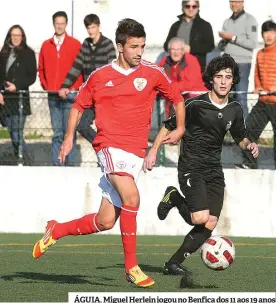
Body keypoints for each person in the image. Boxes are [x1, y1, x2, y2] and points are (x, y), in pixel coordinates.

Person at [32, 18, 185, 287]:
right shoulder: (100, 76)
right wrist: (69, 137)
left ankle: (57, 230)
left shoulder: (152, 72)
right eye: (134, 46)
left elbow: (178, 98)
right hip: (109, 146)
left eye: (143, 46)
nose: (139, 52)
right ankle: (131, 267)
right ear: (120, 47)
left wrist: (181, 127)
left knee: (104, 221)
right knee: (132, 197)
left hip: (135, 154)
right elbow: (78, 106)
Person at [143, 54, 259, 275]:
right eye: (219, 77)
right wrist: (154, 150)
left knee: (209, 223)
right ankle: (174, 197)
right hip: (191, 166)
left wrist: (249, 145)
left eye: (228, 77)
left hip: (214, 169)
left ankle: (173, 264)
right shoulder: (195, 104)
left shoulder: (234, 109)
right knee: (199, 218)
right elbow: (168, 126)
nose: (224, 81)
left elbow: (240, 137)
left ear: (233, 80)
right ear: (211, 80)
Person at [59, 14, 116, 143]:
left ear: (98, 27)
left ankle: (106, 155)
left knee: (106, 130)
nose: (90, 31)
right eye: (88, 28)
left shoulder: (107, 44)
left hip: (104, 97)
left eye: (93, 27)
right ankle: (101, 146)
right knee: (82, 126)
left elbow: (112, 71)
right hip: (89, 96)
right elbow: (76, 66)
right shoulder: (86, 44)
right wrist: (65, 85)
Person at [38, 11, 83, 166]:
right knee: (57, 133)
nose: (59, 26)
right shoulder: (45, 45)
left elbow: (79, 70)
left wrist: (73, 88)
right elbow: (41, 69)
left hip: (70, 95)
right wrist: (47, 86)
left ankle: (70, 166)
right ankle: (58, 165)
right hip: (53, 95)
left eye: (62, 23)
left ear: (66, 24)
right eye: (57, 23)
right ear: (53, 24)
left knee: (69, 133)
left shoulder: (75, 44)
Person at [236, 20, 276, 169]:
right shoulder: (259, 53)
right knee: (248, 131)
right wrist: (258, 87)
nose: (269, 35)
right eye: (266, 32)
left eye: (272, 32)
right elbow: (257, 75)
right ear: (262, 35)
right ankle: (249, 164)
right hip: (263, 101)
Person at [0, 25, 36, 165]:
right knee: (11, 131)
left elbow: (32, 76)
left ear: (22, 37)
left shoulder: (29, 53)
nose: (15, 38)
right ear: (9, 36)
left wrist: (17, 86)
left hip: (20, 99)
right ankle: (19, 159)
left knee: (17, 133)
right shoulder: (3, 52)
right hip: (5, 100)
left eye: (18, 35)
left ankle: (25, 160)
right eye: (13, 35)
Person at [218, 0, 258, 118]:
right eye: (232, 1)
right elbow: (224, 45)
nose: (234, 4)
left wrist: (233, 37)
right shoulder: (227, 22)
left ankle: (244, 133)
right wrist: (223, 41)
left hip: (242, 63)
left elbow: (252, 43)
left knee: (241, 97)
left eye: (237, 1)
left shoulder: (250, 20)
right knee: (228, 98)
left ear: (243, 2)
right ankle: (230, 131)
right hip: (226, 64)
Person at [159, 37, 207, 118]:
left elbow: (190, 84)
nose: (176, 52)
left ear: (183, 50)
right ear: (169, 50)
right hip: (172, 100)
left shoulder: (191, 60)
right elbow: (158, 80)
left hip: (193, 99)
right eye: (173, 49)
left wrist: (169, 88)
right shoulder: (164, 61)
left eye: (179, 49)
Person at [164, 0, 214, 73]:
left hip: (196, 68)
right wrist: (175, 49)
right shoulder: (176, 25)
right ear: (183, 7)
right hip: (176, 69)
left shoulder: (205, 25)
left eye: (194, 6)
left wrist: (191, 48)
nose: (191, 9)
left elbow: (210, 46)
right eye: (188, 6)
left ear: (198, 8)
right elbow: (166, 46)